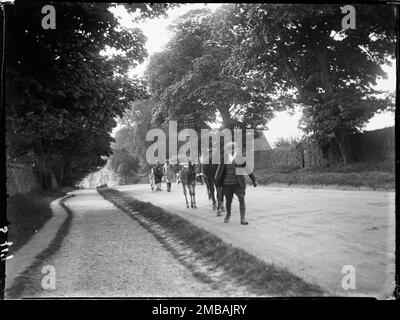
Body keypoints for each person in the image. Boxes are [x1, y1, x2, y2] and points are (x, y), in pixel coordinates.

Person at [215, 142, 257, 225]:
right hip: (227, 184)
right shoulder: (224, 159)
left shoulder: (239, 158)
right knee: (228, 201)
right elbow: (219, 171)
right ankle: (228, 214)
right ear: (227, 150)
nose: (233, 150)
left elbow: (247, 168)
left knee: (241, 198)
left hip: (238, 184)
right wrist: (217, 181)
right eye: (231, 149)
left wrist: (254, 180)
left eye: (234, 148)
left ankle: (242, 218)